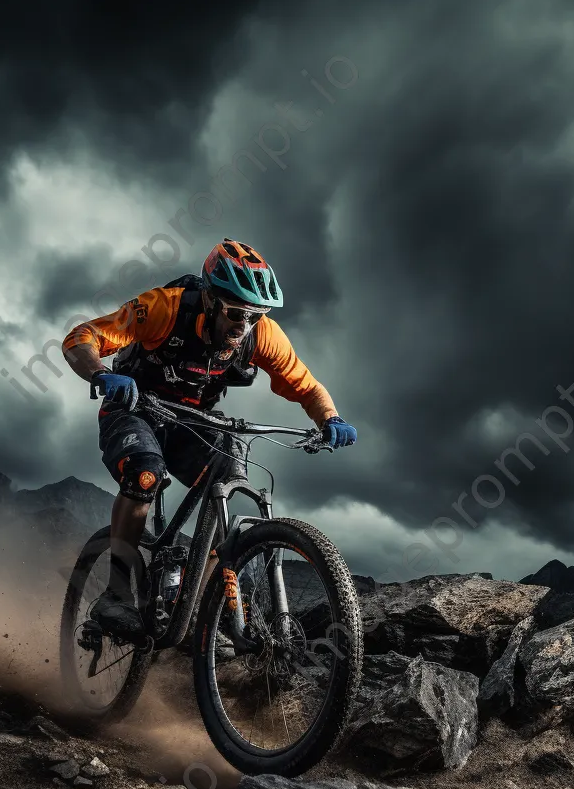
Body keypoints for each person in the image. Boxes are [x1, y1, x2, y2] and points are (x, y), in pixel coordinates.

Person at [61, 237, 357, 636]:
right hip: (133, 408)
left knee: (232, 473)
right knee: (144, 474)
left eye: (255, 315)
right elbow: (82, 336)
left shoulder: (261, 334)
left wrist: (331, 418)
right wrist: (101, 373)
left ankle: (203, 610)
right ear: (211, 301)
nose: (244, 325)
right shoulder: (164, 306)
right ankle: (116, 595)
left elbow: (306, 386)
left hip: (193, 420)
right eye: (236, 313)